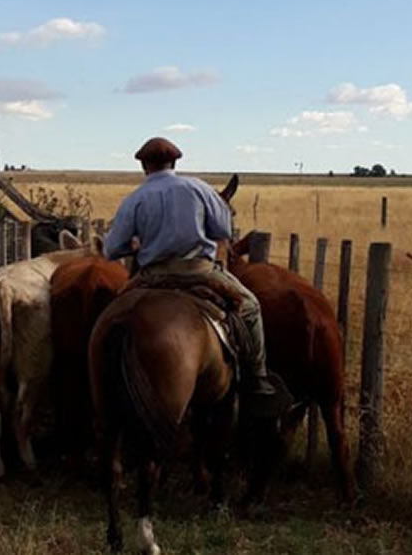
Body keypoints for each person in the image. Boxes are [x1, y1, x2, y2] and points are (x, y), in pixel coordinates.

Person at [103, 137, 292, 418]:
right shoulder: (200, 189)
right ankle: (257, 379)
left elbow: (110, 249)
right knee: (250, 306)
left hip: (151, 276)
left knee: (109, 314)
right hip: (199, 272)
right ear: (175, 162)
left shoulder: (135, 199)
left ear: (144, 165)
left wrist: (135, 244)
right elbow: (223, 230)